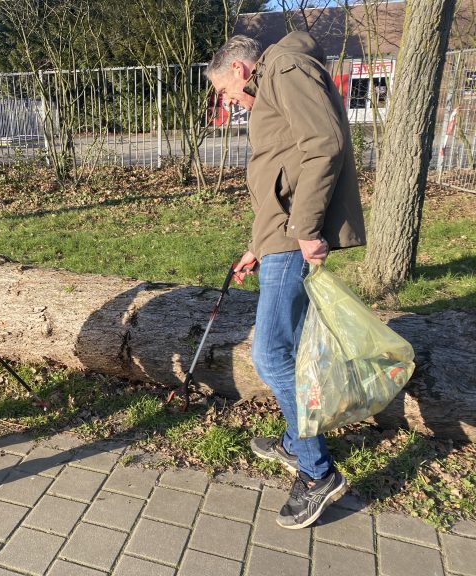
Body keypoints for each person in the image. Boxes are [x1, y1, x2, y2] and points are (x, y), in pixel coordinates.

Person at [205, 32, 366, 529]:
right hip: (281, 238)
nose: (227, 102)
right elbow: (286, 169)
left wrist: (306, 230)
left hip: (295, 238)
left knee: (271, 353)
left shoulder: (286, 68)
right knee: (288, 351)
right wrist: (260, 244)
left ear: (239, 69)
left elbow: (324, 146)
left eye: (225, 91)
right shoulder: (276, 79)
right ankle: (297, 443)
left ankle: (317, 474)